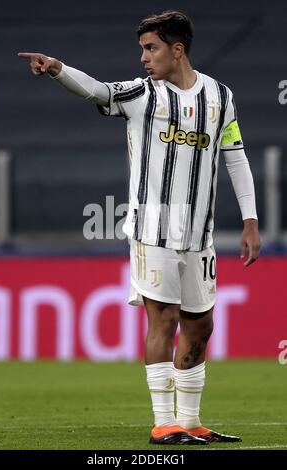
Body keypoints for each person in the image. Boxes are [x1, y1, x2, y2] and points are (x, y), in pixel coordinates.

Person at [18, 10, 261, 445]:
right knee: (163, 320)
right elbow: (95, 89)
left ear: (177, 49)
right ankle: (162, 421)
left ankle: (190, 423)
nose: (144, 58)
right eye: (142, 49)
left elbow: (236, 157)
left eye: (151, 48)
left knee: (200, 326)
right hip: (153, 230)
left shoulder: (221, 98)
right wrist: (57, 69)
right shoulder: (140, 95)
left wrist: (251, 220)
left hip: (199, 234)